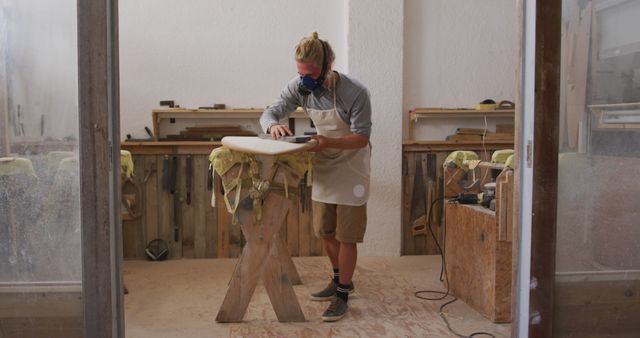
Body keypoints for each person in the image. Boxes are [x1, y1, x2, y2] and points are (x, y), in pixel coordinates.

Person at [260, 32, 371, 322]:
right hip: (324, 163)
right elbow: (270, 112)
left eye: (310, 74)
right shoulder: (299, 87)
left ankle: (343, 295)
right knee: (325, 231)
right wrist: (272, 126)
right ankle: (339, 279)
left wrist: (328, 143)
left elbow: (361, 138)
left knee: (347, 236)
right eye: (300, 73)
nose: (304, 80)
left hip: (352, 167)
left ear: (328, 64)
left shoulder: (355, 92)